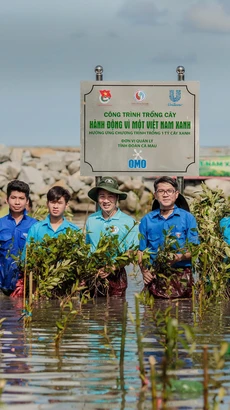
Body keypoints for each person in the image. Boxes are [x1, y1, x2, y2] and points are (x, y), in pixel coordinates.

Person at [139, 176, 199, 299]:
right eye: (161, 191)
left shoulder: (188, 218)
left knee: (183, 314)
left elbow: (195, 249)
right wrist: (144, 271)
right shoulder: (147, 220)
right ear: (155, 195)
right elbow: (140, 251)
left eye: (169, 191)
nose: (165, 195)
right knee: (152, 314)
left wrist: (178, 257)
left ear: (176, 194)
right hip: (156, 274)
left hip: (181, 275)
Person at [86, 176, 139, 297]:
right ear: (98, 199)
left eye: (110, 196)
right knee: (90, 310)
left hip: (116, 273)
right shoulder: (91, 219)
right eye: (102, 196)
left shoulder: (128, 222)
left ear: (117, 198)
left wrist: (113, 267)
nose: (106, 200)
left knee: (116, 312)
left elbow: (132, 251)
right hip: (93, 272)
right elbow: (87, 248)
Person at [0, 180, 37, 296]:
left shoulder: (35, 226)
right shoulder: (0, 224)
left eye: (21, 198)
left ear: (27, 201)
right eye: (13, 198)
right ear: (7, 200)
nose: (17, 202)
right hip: (1, 287)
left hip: (24, 287)